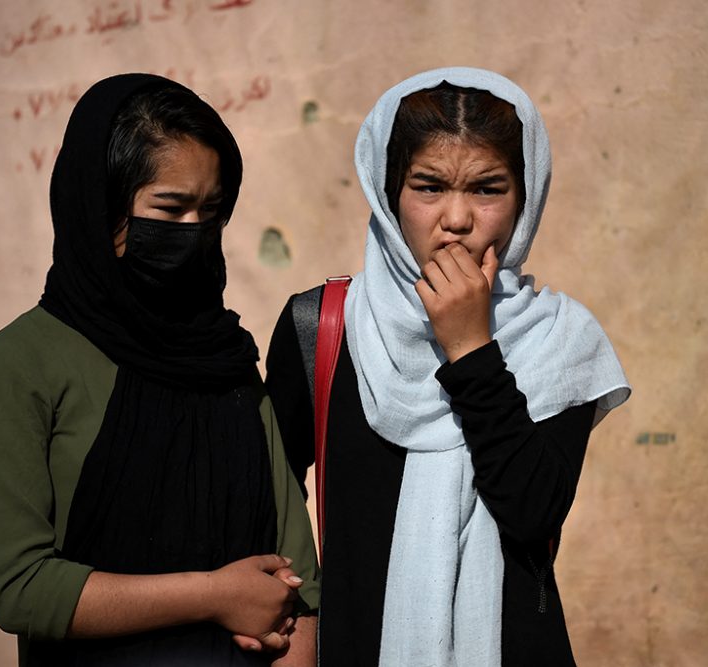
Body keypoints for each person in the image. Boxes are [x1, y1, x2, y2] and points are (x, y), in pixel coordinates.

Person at [265, 67, 631, 666]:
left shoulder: (560, 340)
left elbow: (532, 511)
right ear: (389, 195)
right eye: (429, 186)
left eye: (488, 189)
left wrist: (471, 349)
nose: (456, 219)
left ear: (526, 195)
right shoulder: (325, 327)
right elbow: (266, 505)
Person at [0, 73, 318, 666]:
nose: (193, 233)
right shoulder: (18, 366)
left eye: (211, 212)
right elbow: (20, 587)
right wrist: (214, 595)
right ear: (101, 206)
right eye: (169, 209)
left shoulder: (226, 359)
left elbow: (298, 584)